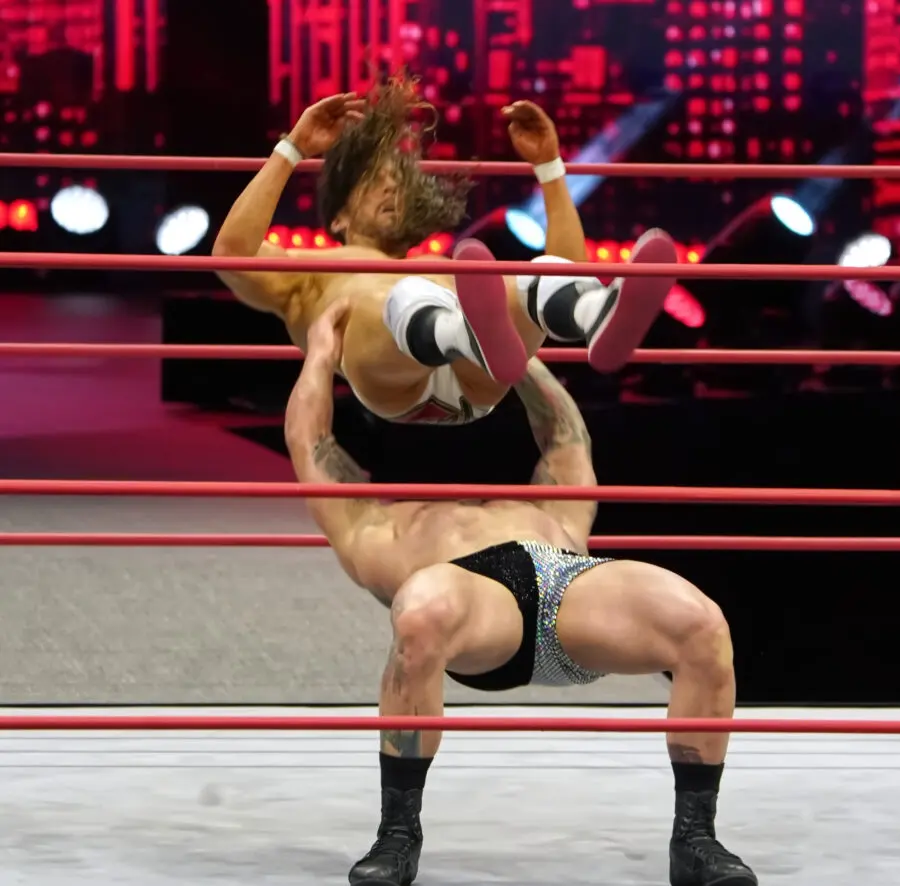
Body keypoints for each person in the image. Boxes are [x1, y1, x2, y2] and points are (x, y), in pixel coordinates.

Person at [282, 304, 759, 886]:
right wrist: (321, 353)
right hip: (473, 603)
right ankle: (398, 835)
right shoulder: (373, 524)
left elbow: (565, 434)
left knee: (702, 623)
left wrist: (510, 348)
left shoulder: (547, 505)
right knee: (424, 607)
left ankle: (696, 840)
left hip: (568, 581)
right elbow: (310, 442)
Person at [213, 77, 677, 425]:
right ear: (337, 217)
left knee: (534, 274)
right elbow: (232, 254)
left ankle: (595, 314)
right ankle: (461, 331)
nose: (390, 188)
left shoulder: (442, 266)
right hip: (393, 383)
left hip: (481, 374)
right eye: (374, 181)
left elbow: (565, 268)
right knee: (394, 293)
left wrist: (549, 166)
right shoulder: (310, 270)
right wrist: (294, 148)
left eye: (396, 182)